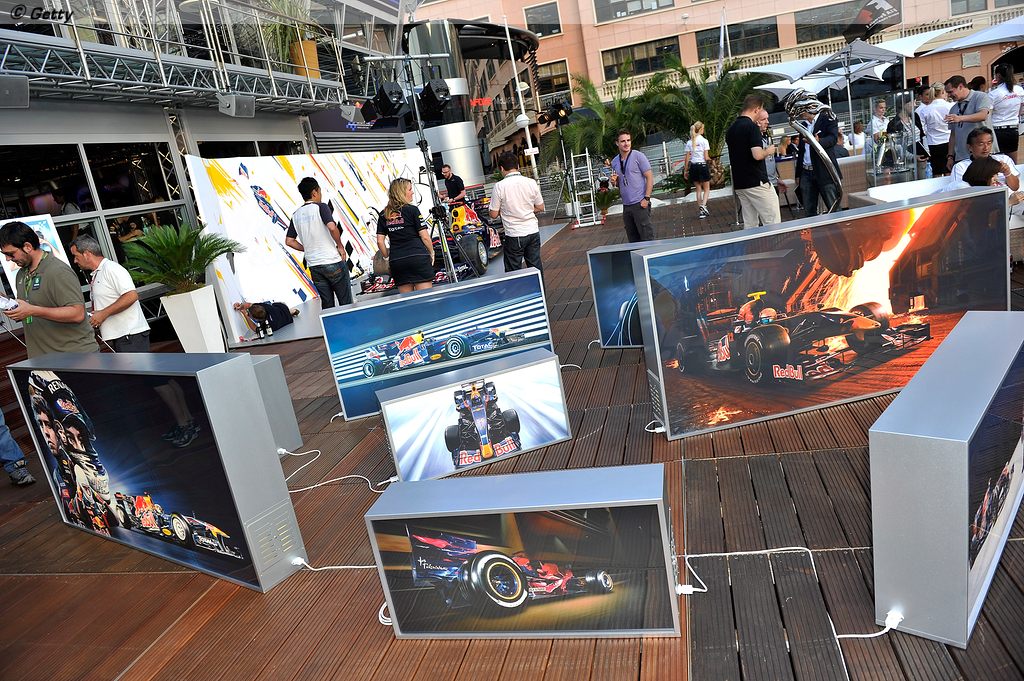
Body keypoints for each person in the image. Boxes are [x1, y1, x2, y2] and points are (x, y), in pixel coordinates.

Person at [0, 221, 96, 358]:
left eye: (11, 254)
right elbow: (28, 307)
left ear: (27, 246)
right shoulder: (22, 274)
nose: (7, 259)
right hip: (42, 359)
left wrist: (32, 310)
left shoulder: (58, 270)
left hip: (75, 358)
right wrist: (8, 303)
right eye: (4, 254)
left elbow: (77, 314)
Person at [69, 236, 150, 352]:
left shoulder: (111, 268)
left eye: (76, 256)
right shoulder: (98, 272)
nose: (75, 261)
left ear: (86, 254)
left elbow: (131, 295)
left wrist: (103, 314)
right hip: (123, 336)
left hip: (130, 335)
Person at [286, 177, 352, 308]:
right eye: (320, 191)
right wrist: (340, 246)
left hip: (314, 266)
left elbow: (289, 241)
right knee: (346, 303)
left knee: (327, 306)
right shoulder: (321, 207)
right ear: (314, 192)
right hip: (332, 261)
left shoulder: (296, 214)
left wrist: (307, 248)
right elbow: (332, 227)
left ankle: (331, 322)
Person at [726, 94, 780, 228]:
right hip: (756, 181)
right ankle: (775, 242)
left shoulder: (731, 129)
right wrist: (768, 150)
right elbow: (757, 155)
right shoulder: (752, 127)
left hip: (740, 183)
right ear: (756, 109)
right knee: (772, 220)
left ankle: (752, 242)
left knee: (750, 224)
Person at [376, 178, 434, 293]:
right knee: (426, 299)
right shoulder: (412, 210)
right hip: (417, 257)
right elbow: (425, 237)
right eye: (410, 189)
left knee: (408, 301)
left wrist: (387, 257)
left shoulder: (384, 214)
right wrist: (431, 252)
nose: (412, 192)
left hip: (397, 261)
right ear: (402, 192)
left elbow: (380, 241)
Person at [490, 153, 545, 272]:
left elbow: (493, 214)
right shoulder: (531, 182)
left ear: (501, 168)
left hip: (514, 234)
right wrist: (526, 209)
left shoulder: (499, 186)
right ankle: (540, 285)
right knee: (535, 267)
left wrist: (506, 211)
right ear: (518, 166)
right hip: (533, 231)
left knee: (513, 271)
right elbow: (540, 207)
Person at [792, 95, 842, 218]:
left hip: (824, 171)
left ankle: (840, 228)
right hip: (806, 172)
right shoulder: (803, 125)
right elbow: (802, 152)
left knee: (833, 207)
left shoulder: (828, 119)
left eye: (802, 109)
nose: (800, 112)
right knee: (809, 210)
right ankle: (813, 230)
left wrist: (817, 142)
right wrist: (798, 174)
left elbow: (833, 139)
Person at [609, 129, 655, 242]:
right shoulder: (615, 162)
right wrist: (614, 182)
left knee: (647, 237)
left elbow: (650, 177)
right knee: (633, 240)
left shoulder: (638, 156)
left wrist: (646, 198)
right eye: (623, 141)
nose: (626, 143)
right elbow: (619, 183)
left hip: (640, 203)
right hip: (626, 205)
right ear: (617, 143)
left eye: (628, 140)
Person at [948, 127, 1020, 190]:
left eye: (989, 143)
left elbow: (1015, 187)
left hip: (1011, 197)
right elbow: (961, 192)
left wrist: (1007, 173)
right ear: (969, 147)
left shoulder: (1004, 159)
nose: (986, 148)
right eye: (981, 144)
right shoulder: (960, 167)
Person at [945, 74, 994, 167]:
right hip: (962, 157)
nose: (949, 95)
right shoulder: (953, 108)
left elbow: (983, 115)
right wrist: (950, 156)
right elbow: (953, 135)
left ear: (960, 86)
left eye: (950, 92)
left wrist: (960, 118)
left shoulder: (980, 97)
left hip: (983, 153)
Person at [989, 63, 1024, 163]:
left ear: (998, 75)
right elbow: (1020, 110)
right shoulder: (1019, 90)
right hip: (1013, 129)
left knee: (997, 163)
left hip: (997, 130)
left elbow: (988, 114)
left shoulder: (993, 94)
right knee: (1012, 162)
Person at [918, 84, 952, 177]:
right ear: (943, 92)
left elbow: (922, 128)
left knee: (937, 171)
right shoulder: (950, 106)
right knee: (949, 170)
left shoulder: (925, 110)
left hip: (933, 142)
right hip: (949, 140)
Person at [683, 121, 712, 219]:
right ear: (700, 130)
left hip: (694, 167)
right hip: (702, 166)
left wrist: (685, 170)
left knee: (698, 189)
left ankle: (701, 211)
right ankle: (703, 205)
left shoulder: (689, 142)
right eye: (703, 128)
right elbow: (706, 157)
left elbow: (687, 158)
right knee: (706, 189)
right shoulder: (704, 141)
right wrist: (712, 160)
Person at [234, 300, 299, 337]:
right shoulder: (264, 307)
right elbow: (249, 305)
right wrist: (241, 306)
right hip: (282, 308)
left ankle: (291, 312)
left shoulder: (268, 326)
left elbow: (255, 328)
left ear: (257, 319)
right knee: (283, 308)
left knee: (286, 312)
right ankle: (292, 312)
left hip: (284, 317)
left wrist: (245, 315)